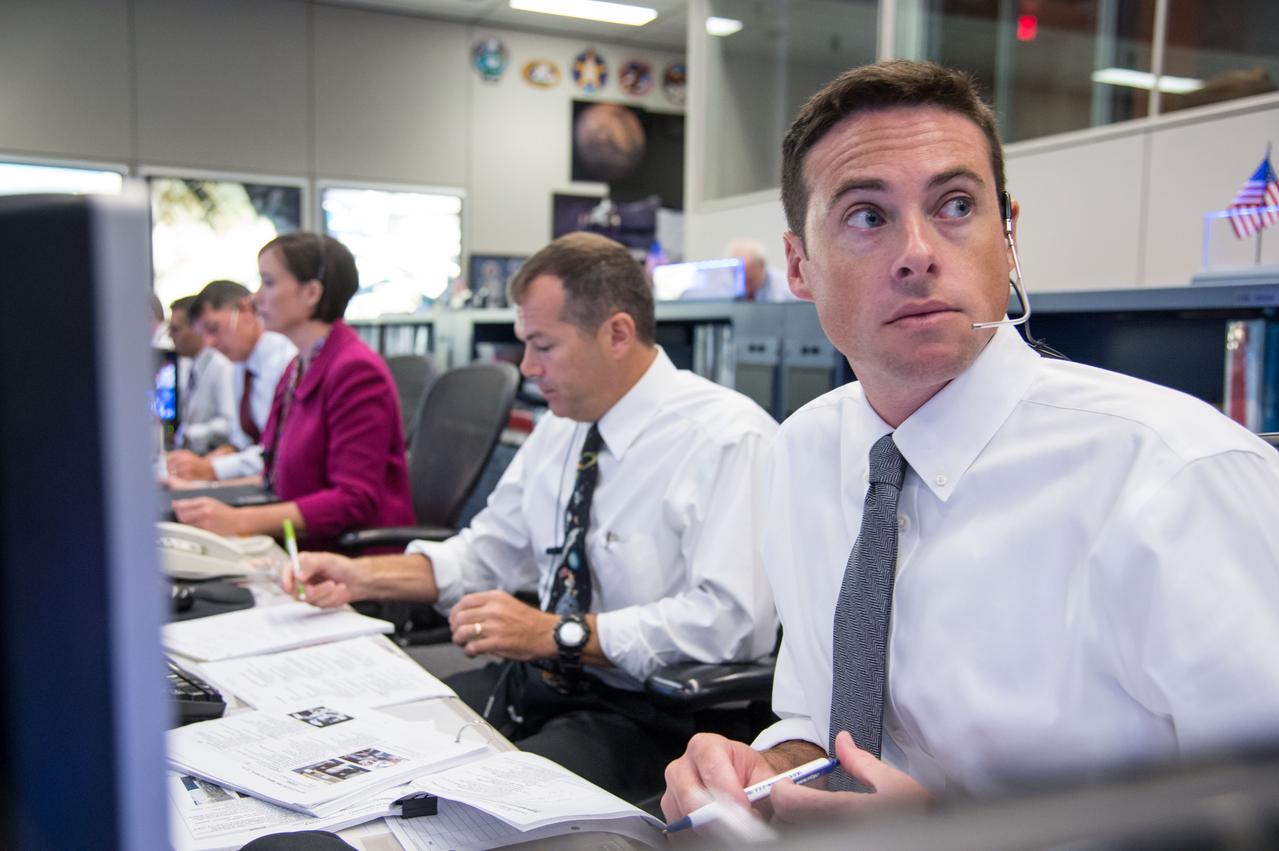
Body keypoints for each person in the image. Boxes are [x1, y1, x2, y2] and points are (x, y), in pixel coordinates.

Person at [662, 59, 1279, 830]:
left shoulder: (1174, 476)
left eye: (955, 204)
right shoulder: (804, 452)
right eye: (866, 215)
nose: (918, 250)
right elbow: (818, 721)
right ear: (798, 266)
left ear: (1006, 234)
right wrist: (765, 765)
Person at [286, 232, 779, 803]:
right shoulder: (563, 425)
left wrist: (559, 633)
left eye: (543, 345)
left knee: (458, 807)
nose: (526, 367)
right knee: (371, 745)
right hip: (543, 681)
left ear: (617, 333)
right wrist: (362, 576)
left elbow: (729, 623)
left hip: (652, 718)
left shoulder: (728, 439)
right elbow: (488, 553)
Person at [172, 233, 414, 551]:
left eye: (268, 282)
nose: (257, 298)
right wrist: (205, 493)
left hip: (348, 560)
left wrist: (239, 521)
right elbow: (274, 476)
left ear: (311, 292)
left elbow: (353, 501)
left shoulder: (356, 371)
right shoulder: (297, 368)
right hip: (303, 545)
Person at [165, 280, 296, 481]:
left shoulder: (285, 361)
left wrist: (212, 469)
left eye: (214, 328)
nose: (209, 343)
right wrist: (200, 465)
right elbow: (240, 441)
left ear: (245, 310)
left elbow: (277, 451)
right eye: (203, 334)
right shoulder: (239, 366)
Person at [167, 295, 236, 454]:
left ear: (195, 328)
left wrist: (190, 433)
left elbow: (229, 423)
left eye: (175, 329)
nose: (170, 335)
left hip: (212, 457)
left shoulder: (221, 366)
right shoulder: (189, 366)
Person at [727, 238, 796, 302]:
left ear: (762, 266)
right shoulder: (722, 284)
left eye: (749, 279)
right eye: (738, 278)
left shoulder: (787, 289)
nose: (744, 285)